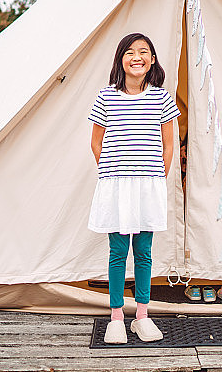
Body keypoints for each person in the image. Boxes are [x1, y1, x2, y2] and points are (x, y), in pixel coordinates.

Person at [88, 32, 180, 344]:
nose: (136, 57)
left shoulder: (162, 98)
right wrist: (113, 172)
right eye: (129, 52)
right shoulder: (105, 97)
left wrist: (157, 176)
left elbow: (169, 144)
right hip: (116, 185)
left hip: (147, 185)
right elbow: (96, 141)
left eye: (143, 51)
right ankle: (116, 316)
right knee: (117, 252)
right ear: (121, 60)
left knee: (143, 252)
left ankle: (141, 316)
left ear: (152, 59)